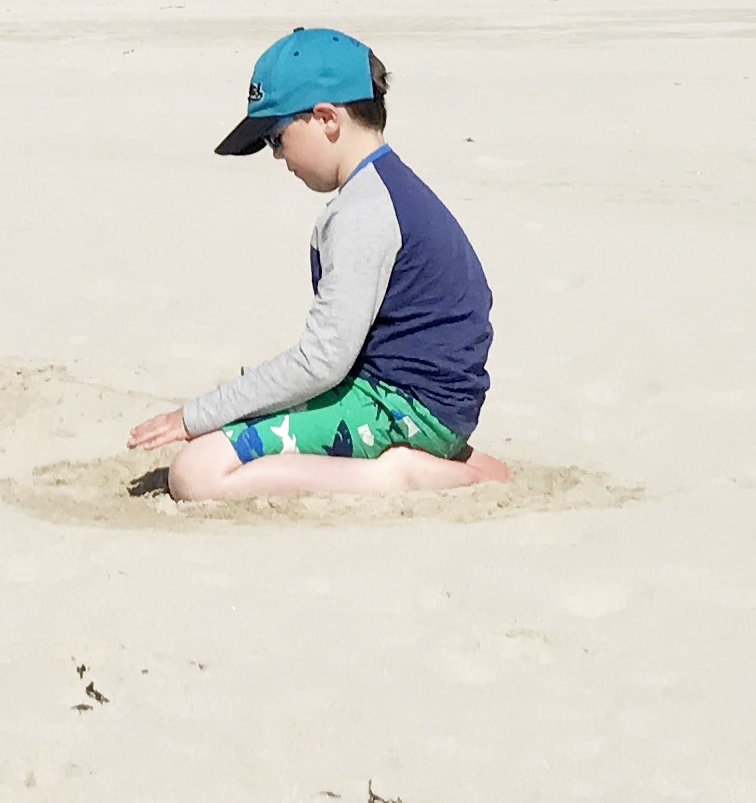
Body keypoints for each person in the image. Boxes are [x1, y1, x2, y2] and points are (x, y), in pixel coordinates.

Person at [127, 26, 506, 500]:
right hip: (430, 402)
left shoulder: (363, 213)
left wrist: (194, 415)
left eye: (276, 138)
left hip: (405, 408)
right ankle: (433, 456)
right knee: (232, 431)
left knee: (197, 473)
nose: (278, 157)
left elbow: (323, 361)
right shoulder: (388, 188)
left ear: (326, 119)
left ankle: (402, 473)